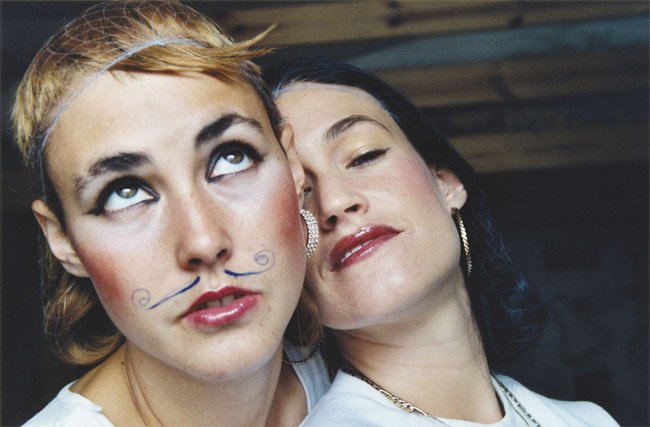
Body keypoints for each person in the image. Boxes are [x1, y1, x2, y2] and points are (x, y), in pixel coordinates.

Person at [13, 2, 328, 425]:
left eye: (231, 157)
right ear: (63, 240)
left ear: (291, 166)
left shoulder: (363, 374)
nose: (203, 242)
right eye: (124, 192)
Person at [264, 58, 619, 426]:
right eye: (296, 195)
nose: (334, 202)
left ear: (445, 183)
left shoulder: (590, 420)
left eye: (364, 155)